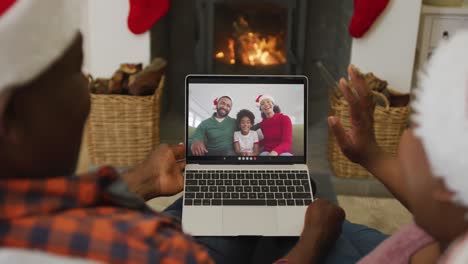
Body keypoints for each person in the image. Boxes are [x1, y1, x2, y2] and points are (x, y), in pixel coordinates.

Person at [0, 1, 347, 263]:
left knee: (236, 198)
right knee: (311, 210)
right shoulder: (154, 248)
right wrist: (311, 244)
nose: (88, 94)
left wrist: (144, 180)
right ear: (11, 117)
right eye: (77, 72)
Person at [327, 31, 468, 263]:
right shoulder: (450, 223)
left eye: (415, 123)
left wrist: (309, 244)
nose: (408, 133)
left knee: (298, 234)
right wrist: (373, 156)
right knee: (339, 225)